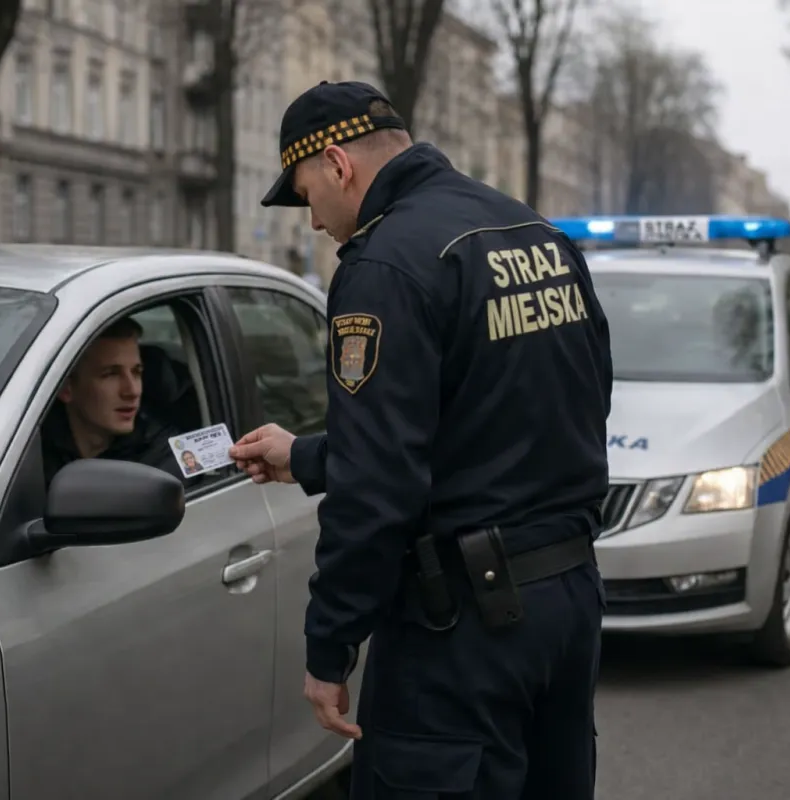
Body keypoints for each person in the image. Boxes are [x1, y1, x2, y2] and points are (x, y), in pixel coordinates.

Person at [228, 80, 614, 799]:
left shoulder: (386, 264)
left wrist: (330, 645)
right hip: (565, 606)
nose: (314, 222)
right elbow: (526, 416)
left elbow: (379, 489)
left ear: (338, 165)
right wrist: (305, 455)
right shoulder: (534, 233)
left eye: (308, 194)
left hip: (462, 633)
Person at [41, 316, 182, 485]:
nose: (132, 391)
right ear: (66, 388)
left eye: (136, 373)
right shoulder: (29, 449)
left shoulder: (161, 456)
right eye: (111, 374)